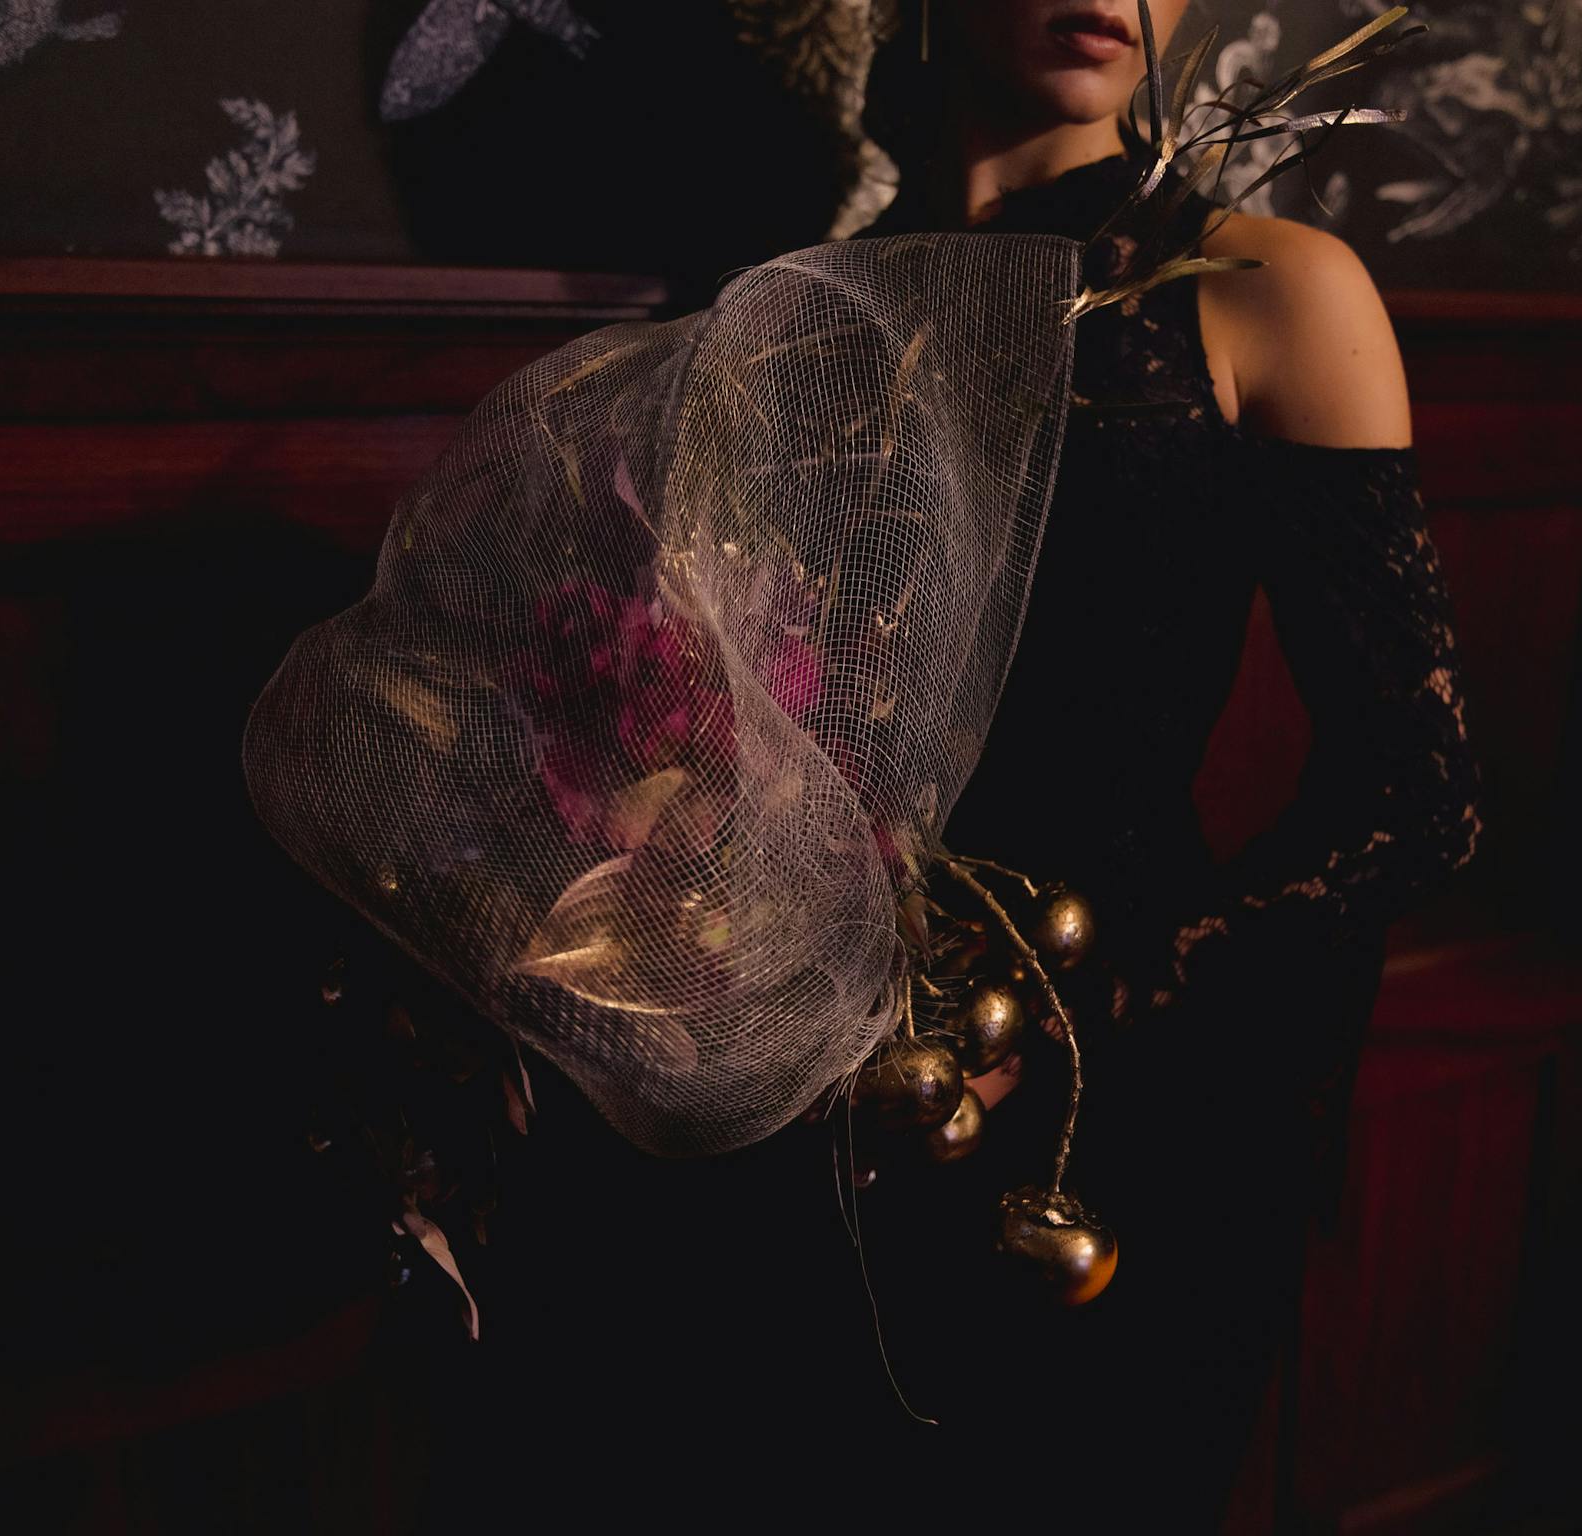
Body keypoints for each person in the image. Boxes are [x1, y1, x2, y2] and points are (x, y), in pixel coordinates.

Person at [377, 4, 1480, 1529]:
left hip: (1117, 1094)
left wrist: (1110, 999)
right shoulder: (784, 303)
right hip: (802, 1085)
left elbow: (1415, 795)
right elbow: (731, 702)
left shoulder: (1261, 285)